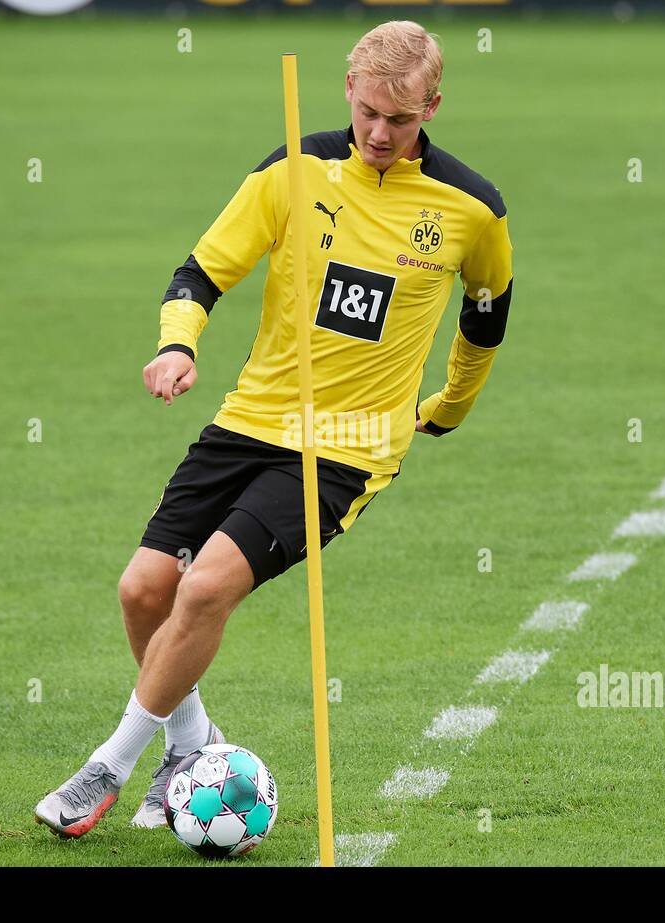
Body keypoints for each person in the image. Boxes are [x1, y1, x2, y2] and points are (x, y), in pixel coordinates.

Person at [35, 20, 515, 838]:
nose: (378, 134)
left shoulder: (471, 209)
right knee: (144, 589)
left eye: (399, 121)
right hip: (252, 419)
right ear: (349, 94)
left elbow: (487, 317)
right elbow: (202, 270)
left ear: (432, 105)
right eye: (367, 113)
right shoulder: (293, 170)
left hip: (348, 447)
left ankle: (106, 768)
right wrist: (177, 344)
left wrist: (450, 407)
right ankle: (192, 747)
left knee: (208, 585)